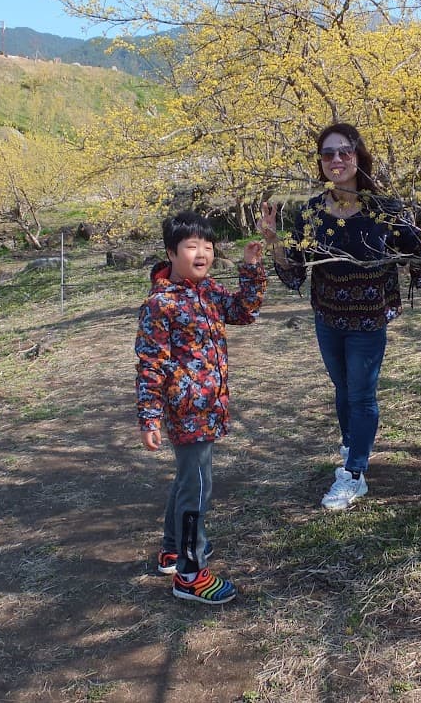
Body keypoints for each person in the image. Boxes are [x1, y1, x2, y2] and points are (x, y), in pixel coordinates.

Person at [258, 123, 421, 511]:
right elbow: (295, 272)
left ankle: (353, 474)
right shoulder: (312, 212)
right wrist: (273, 241)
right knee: (343, 388)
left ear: (359, 156)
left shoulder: (385, 211)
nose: (336, 160)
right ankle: (352, 447)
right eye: (328, 154)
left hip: (368, 321)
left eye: (344, 152)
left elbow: (419, 264)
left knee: (362, 393)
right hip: (328, 317)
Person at [136, 210, 266, 604]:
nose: (202, 253)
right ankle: (190, 574)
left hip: (210, 407)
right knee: (198, 487)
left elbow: (245, 311)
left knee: (187, 480)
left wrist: (251, 270)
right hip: (185, 411)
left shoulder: (207, 290)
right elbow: (150, 363)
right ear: (171, 253)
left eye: (207, 246)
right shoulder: (161, 304)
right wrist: (150, 416)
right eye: (192, 246)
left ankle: (173, 551)